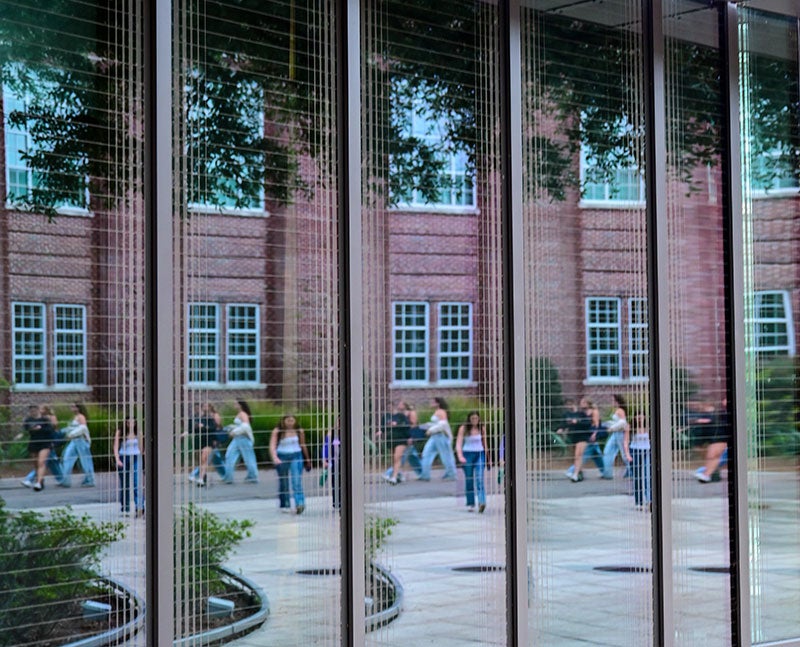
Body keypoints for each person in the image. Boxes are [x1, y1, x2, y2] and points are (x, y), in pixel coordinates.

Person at [270, 414, 311, 514]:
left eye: (292, 420)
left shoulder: (299, 431)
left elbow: (303, 445)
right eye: (288, 420)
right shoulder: (278, 431)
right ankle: (285, 504)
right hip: (282, 455)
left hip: (296, 455)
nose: (290, 423)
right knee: (283, 481)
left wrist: (307, 459)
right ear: (283, 421)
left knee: (296, 480)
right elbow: (272, 445)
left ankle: (299, 503)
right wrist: (275, 457)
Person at [21, 405, 64, 487]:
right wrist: (29, 429)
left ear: (38, 410)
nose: (33, 412)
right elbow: (25, 430)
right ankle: (59, 479)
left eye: (34, 410)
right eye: (31, 411)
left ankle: (37, 482)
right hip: (34, 443)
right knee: (38, 463)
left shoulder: (45, 419)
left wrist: (40, 429)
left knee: (42, 462)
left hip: (45, 443)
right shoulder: (28, 420)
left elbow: (51, 430)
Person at [381, 401, 423, 484]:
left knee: (398, 457)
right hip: (392, 439)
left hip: (402, 438)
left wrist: (411, 437)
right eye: (388, 407)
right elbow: (383, 427)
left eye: (391, 407)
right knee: (404, 457)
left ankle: (393, 476)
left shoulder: (402, 415)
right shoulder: (387, 416)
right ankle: (401, 474)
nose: (389, 408)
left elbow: (409, 425)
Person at [455, 411, 489, 512]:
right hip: (468, 453)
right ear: (469, 419)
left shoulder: (481, 428)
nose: (475, 420)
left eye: (476, 418)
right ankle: (470, 503)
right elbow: (459, 443)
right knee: (469, 479)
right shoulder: (464, 428)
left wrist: (488, 457)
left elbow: (484, 443)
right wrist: (460, 456)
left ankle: (482, 502)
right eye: (473, 418)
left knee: (479, 478)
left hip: (479, 453)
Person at [418, 397, 457, 481]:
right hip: (434, 437)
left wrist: (430, 430)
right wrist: (423, 426)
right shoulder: (436, 412)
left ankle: (451, 474)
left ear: (438, 403)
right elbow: (435, 423)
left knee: (446, 455)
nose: (431, 403)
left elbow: (443, 424)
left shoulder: (441, 412)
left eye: (433, 402)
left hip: (441, 436)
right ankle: (425, 475)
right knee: (426, 453)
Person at [187, 403, 225, 486]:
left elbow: (214, 428)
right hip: (200, 441)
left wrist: (203, 427)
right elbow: (192, 429)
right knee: (202, 460)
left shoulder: (211, 417)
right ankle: (203, 477)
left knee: (204, 459)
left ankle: (200, 479)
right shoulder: (197, 418)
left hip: (209, 441)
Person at [222, 400, 259, 484]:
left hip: (243, 439)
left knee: (248, 458)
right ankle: (228, 477)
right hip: (237, 439)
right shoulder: (240, 414)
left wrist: (234, 432)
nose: (234, 405)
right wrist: (232, 427)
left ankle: (252, 476)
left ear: (240, 405)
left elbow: (246, 426)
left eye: (236, 403)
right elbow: (240, 425)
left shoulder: (243, 414)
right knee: (229, 455)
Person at [113, 416, 144, 517]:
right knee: (125, 484)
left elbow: (142, 448)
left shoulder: (138, 433)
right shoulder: (120, 432)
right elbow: (116, 446)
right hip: (124, 457)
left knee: (136, 483)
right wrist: (117, 459)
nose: (131, 424)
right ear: (125, 423)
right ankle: (125, 507)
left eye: (133, 422)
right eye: (128, 422)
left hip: (135, 457)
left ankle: (139, 507)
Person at [60, 403, 95, 487]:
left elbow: (83, 428)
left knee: (85, 460)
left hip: (81, 440)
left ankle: (90, 480)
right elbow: (71, 428)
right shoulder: (74, 417)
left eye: (73, 406)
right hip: (74, 441)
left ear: (78, 408)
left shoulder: (81, 417)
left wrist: (71, 434)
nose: (71, 408)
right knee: (67, 457)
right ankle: (66, 480)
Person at [695, 398, 729, 483]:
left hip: (721, 438)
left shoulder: (721, 414)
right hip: (716, 438)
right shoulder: (720, 413)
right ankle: (708, 474)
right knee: (712, 456)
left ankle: (707, 474)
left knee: (714, 456)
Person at [559, 399, 592, 482]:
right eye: (567, 405)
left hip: (582, 436)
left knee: (578, 455)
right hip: (573, 437)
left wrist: (577, 422)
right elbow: (564, 424)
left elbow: (587, 423)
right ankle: (579, 473)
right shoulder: (566, 414)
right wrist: (561, 429)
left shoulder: (581, 414)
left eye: (571, 404)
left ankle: (575, 474)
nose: (569, 406)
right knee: (576, 456)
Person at [600, 394, 629, 480]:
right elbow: (617, 422)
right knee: (608, 451)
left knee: (624, 454)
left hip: (620, 434)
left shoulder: (620, 410)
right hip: (615, 434)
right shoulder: (617, 410)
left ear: (617, 401)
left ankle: (632, 470)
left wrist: (612, 428)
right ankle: (607, 473)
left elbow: (623, 423)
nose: (611, 402)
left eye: (613, 400)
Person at [629, 411, 651, 509]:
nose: (639, 417)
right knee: (638, 477)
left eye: (641, 415)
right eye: (637, 415)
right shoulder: (631, 427)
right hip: (635, 451)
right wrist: (627, 454)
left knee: (648, 476)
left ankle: (649, 500)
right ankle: (639, 502)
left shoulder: (649, 427)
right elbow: (625, 441)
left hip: (647, 451)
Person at [322, 417, 341, 509]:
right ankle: (336, 502)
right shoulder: (331, 434)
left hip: (345, 462)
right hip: (335, 462)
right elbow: (326, 447)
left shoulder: (350, 432)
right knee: (336, 481)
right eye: (339, 421)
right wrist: (325, 460)